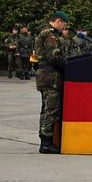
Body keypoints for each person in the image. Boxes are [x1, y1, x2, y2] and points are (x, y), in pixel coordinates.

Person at [34, 11, 69, 154]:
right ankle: (46, 143)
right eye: (64, 25)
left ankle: (45, 140)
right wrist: (68, 66)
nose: (63, 28)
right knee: (52, 110)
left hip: (44, 76)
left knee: (46, 109)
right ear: (59, 21)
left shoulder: (44, 32)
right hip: (50, 77)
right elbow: (54, 57)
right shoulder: (50, 35)